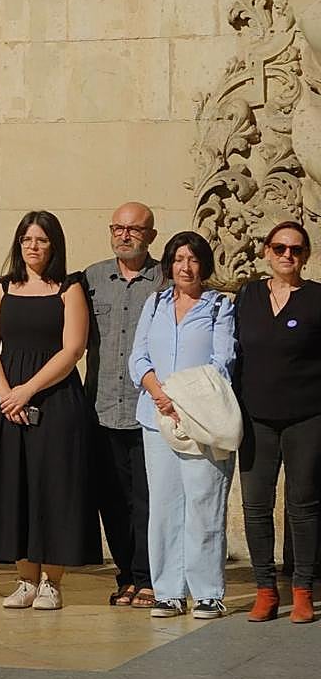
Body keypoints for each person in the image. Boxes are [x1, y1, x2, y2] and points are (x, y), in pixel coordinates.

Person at [0, 210, 100, 611]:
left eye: (42, 240)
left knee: (53, 488)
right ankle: (25, 579)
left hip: (55, 399)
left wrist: (27, 390)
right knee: (13, 487)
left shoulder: (70, 287)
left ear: (54, 245)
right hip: (5, 402)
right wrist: (5, 394)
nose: (33, 246)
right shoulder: (3, 288)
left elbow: (72, 349)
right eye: (27, 239)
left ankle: (52, 581)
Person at [129, 231, 236, 620]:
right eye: (178, 259)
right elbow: (138, 357)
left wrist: (183, 397)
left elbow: (221, 361)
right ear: (169, 265)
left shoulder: (219, 304)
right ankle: (169, 591)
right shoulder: (154, 303)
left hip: (200, 417)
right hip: (157, 417)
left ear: (203, 265)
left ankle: (208, 592)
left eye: (192, 260)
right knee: (165, 506)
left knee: (205, 503)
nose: (185, 267)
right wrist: (160, 393)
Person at [235, 221, 320, 624]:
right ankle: (265, 590)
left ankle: (302, 589)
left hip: (307, 417)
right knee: (256, 506)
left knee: (302, 506)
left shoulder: (317, 298)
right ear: (267, 251)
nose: (288, 256)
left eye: (297, 250)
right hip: (255, 419)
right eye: (281, 248)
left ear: (306, 256)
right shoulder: (247, 296)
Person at [84, 202, 163, 610]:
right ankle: (126, 576)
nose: (125, 235)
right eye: (118, 227)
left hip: (147, 411)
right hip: (100, 409)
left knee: (147, 500)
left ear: (150, 234)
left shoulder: (165, 279)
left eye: (134, 229)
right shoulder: (91, 279)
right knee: (111, 500)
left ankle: (150, 577)